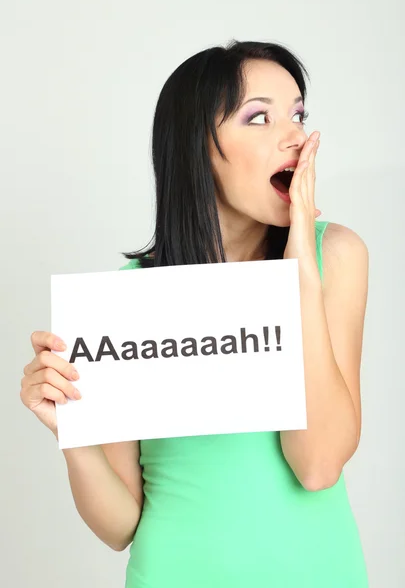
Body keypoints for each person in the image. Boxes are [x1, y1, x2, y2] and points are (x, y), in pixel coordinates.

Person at [20, 39, 369, 587]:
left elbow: (318, 464)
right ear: (197, 145)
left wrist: (299, 268)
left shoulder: (335, 258)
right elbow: (120, 526)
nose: (295, 136)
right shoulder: (128, 298)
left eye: (298, 114)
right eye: (260, 117)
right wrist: (75, 434)